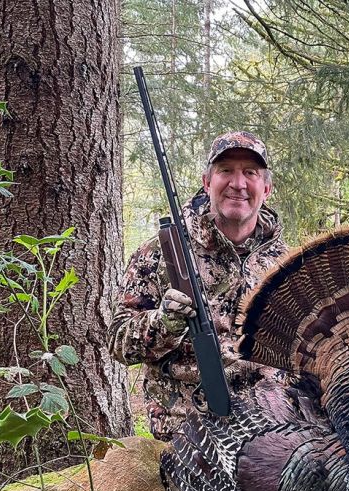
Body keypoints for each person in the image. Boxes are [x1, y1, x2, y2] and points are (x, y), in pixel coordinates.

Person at [111, 131, 289, 440]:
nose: (238, 183)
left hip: (271, 429)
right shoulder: (160, 254)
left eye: (250, 173)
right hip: (188, 429)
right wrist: (164, 321)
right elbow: (118, 344)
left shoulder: (288, 264)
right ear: (207, 183)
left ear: (267, 188)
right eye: (226, 171)